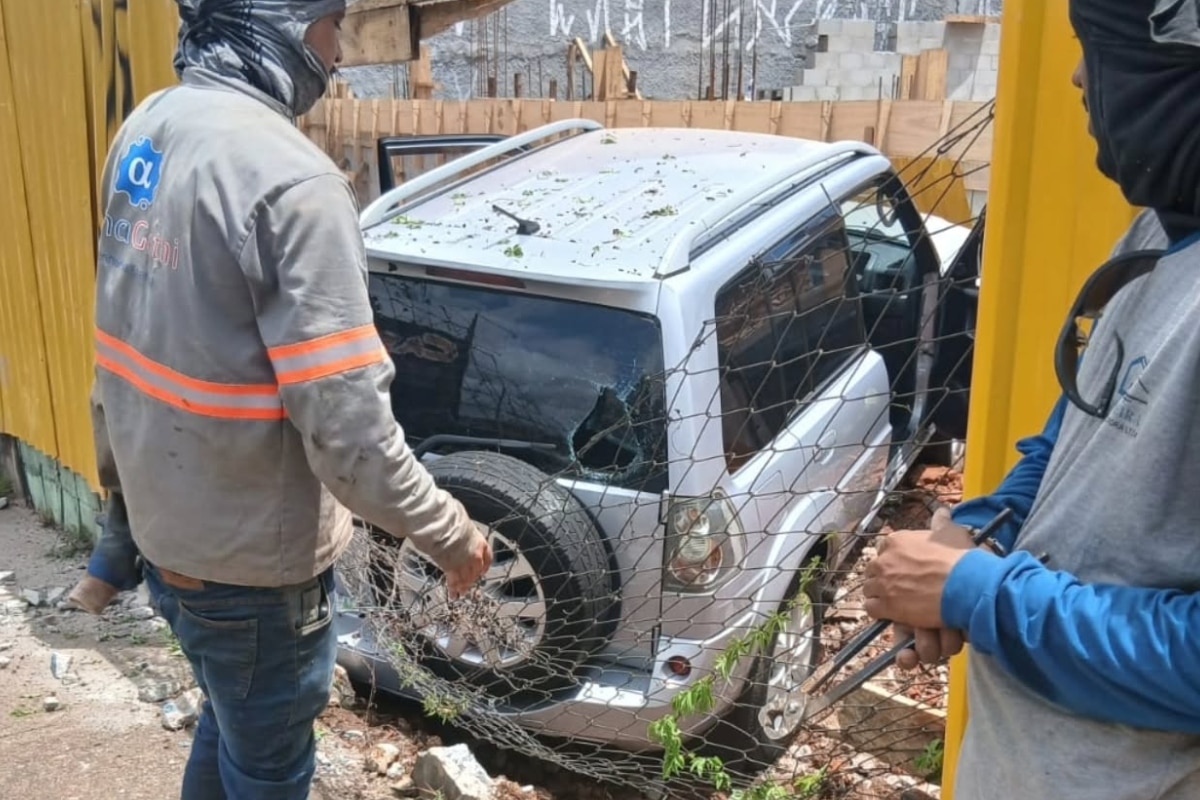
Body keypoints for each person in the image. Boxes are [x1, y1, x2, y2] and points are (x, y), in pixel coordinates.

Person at [86, 2, 493, 798]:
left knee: (235, 725)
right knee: (269, 764)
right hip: (251, 568)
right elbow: (352, 438)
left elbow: (120, 342)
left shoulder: (150, 126)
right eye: (329, 25)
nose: (337, 51)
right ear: (274, 21)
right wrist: (452, 537)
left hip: (169, 533)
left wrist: (118, 512)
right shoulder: (294, 182)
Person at [862, 3, 1200, 798]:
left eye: (1098, 49)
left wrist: (976, 593)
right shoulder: (1157, 232)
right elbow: (1074, 440)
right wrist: (978, 528)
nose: (1080, 77)